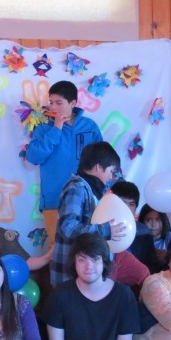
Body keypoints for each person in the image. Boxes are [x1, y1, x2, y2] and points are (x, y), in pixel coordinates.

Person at [25, 80, 103, 239]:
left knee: (88, 247)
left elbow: (102, 161)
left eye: (58, 103)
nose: (53, 107)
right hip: (55, 199)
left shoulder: (90, 126)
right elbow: (33, 157)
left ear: (73, 103)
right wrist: (56, 128)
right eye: (51, 102)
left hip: (87, 199)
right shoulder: (43, 127)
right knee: (58, 250)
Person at [50, 141, 127, 286]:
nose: (111, 176)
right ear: (98, 167)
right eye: (111, 170)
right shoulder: (77, 188)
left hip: (83, 278)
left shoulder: (91, 191)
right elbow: (68, 227)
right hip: (69, 279)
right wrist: (104, 230)